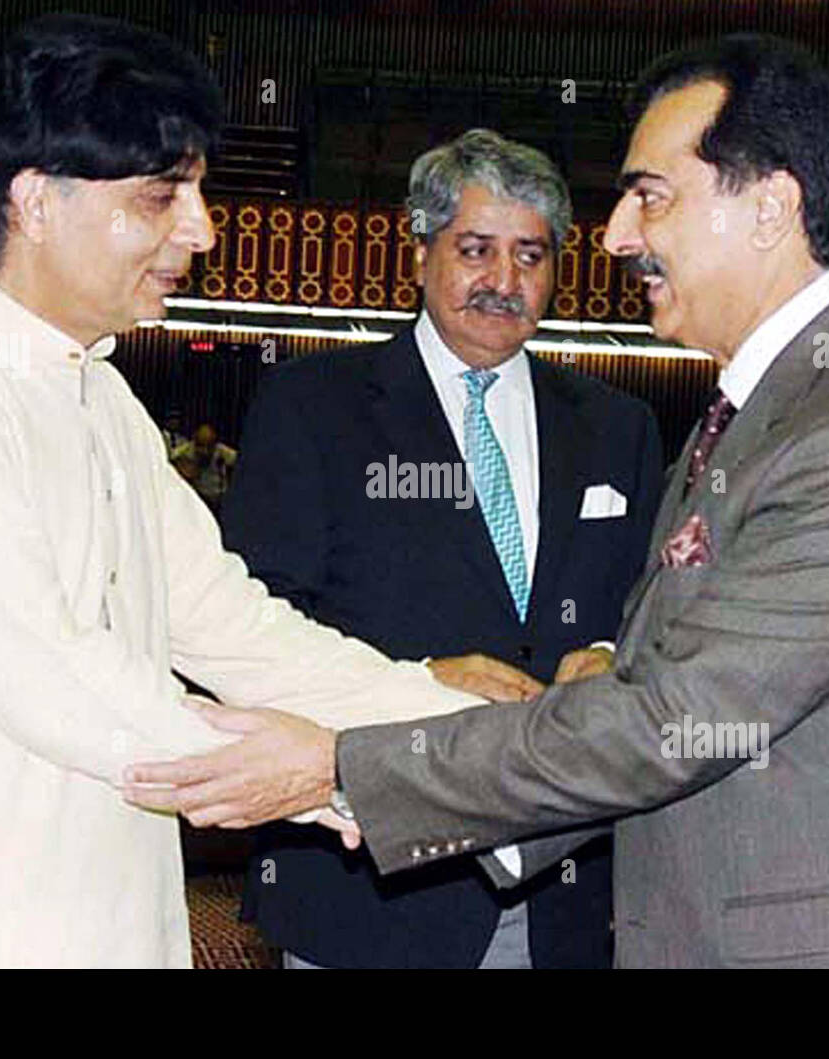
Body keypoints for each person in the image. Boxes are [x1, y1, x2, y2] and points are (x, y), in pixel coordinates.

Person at [126, 34, 829, 968]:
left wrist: (341, 765)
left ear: (772, 207)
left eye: (650, 195)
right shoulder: (768, 415)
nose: (617, 235)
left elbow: (671, 719)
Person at [0, 13, 483, 969]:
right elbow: (57, 681)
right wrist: (344, 775)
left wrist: (459, 727)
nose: (202, 228)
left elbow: (235, 630)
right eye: (161, 197)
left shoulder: (102, 399)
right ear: (34, 199)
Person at [223, 129, 662, 969]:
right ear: (419, 250)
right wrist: (412, 681)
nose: (504, 281)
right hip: (372, 889)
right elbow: (254, 630)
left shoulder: (619, 427)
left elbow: (654, 609)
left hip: (565, 902)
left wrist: (610, 651)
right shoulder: (313, 409)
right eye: (476, 250)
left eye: (531, 255)